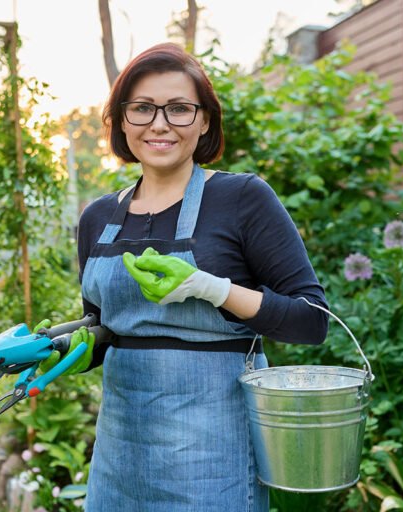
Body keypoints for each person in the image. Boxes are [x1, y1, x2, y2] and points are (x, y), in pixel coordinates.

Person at [44, 42, 329, 511]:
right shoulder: (98, 217)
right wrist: (56, 350)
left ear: (204, 122)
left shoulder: (242, 199)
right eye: (142, 108)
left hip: (211, 461)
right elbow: (104, 329)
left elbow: (312, 319)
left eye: (179, 109)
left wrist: (212, 289)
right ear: (120, 121)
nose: (159, 123)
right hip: (120, 456)